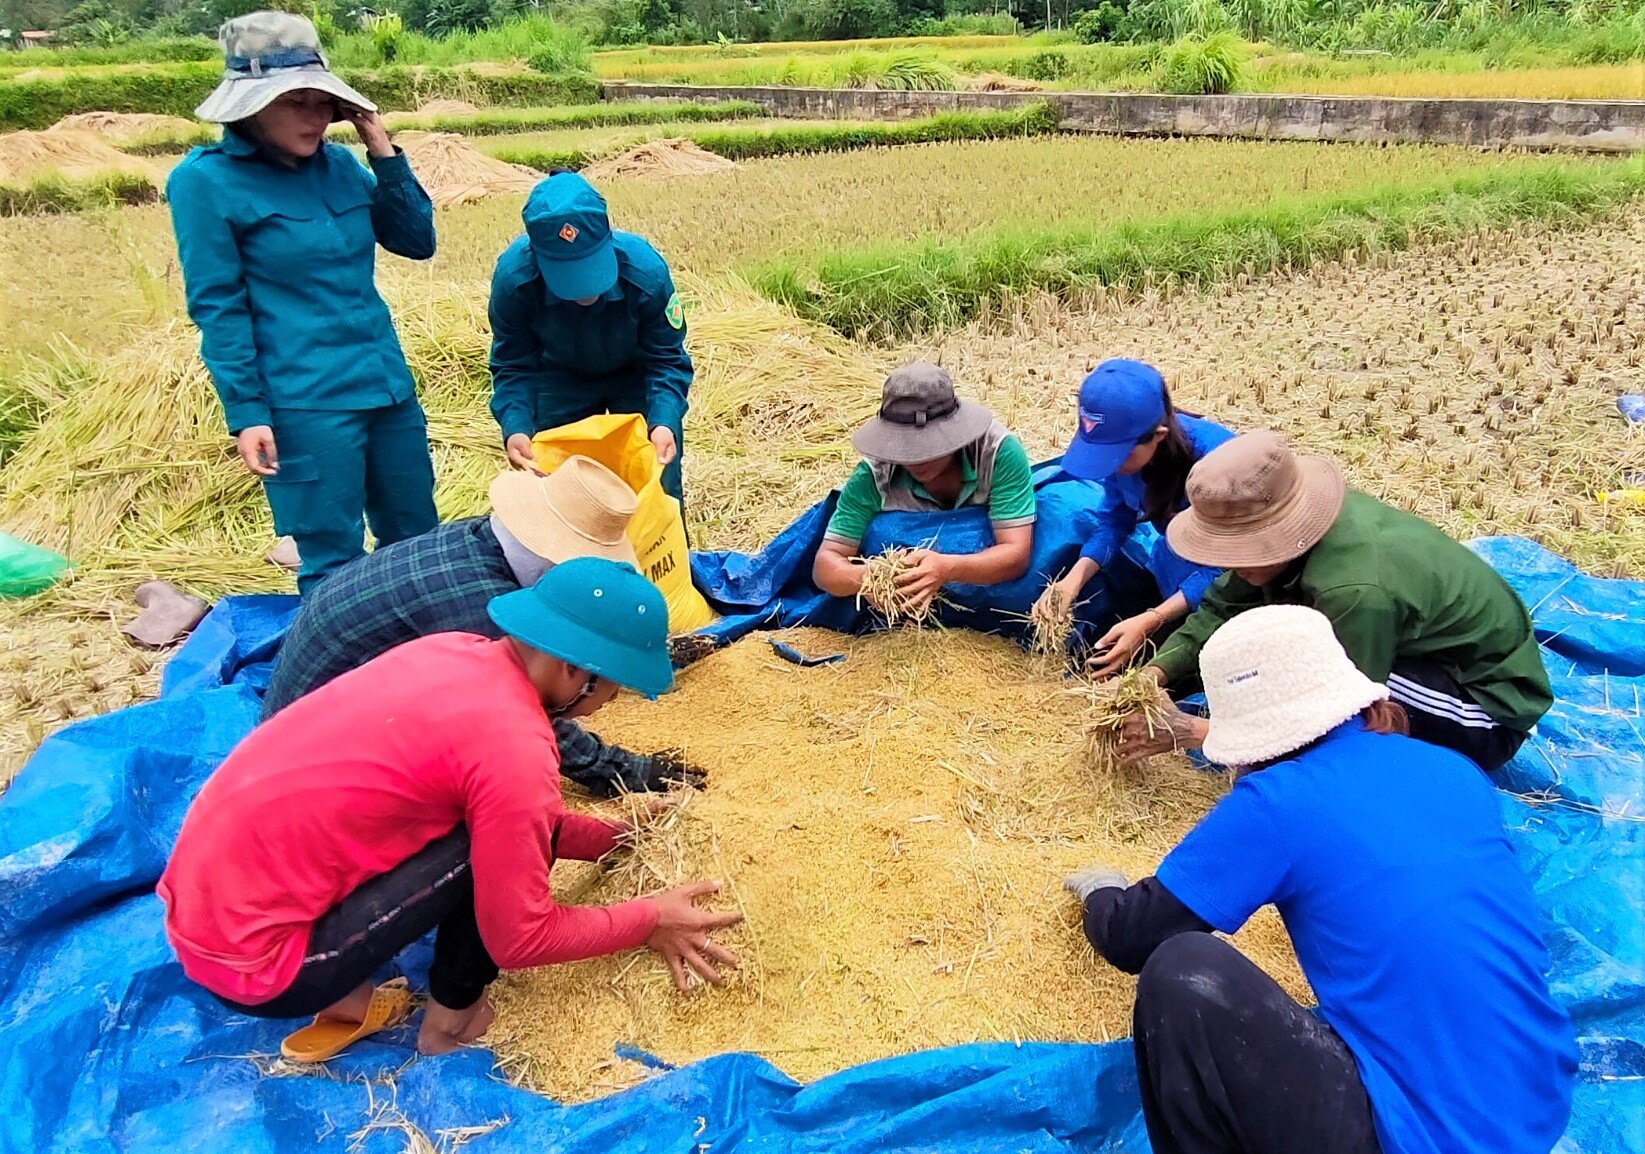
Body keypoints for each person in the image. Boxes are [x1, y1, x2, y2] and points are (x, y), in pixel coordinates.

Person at [159, 558, 740, 1062]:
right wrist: (648, 919)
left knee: (479, 824)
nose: (609, 703)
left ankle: (349, 996)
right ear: (574, 671)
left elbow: (509, 810)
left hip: (202, 908)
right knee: (480, 856)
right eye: (613, 687)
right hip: (257, 967)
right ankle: (451, 1022)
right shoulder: (515, 747)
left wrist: (614, 837)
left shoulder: (453, 650)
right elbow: (520, 937)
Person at [1067, 604, 1576, 1154]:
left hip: (1415, 1134)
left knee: (1183, 969)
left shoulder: (1277, 803)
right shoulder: (1453, 769)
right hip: (1537, 1103)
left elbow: (1133, 935)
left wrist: (1099, 890)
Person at [169, 11, 439, 596]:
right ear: (250, 106)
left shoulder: (340, 166)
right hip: (306, 403)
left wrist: (382, 151)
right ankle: (343, 678)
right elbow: (219, 306)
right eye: (297, 103)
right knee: (333, 559)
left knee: (417, 542)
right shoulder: (205, 182)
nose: (316, 117)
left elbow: (417, 242)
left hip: (386, 387)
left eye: (324, 102)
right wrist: (247, 412)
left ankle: (425, 671)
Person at [261, 458, 700, 796]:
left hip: (331, 708)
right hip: (314, 763)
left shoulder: (480, 537)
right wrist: (623, 772)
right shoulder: (481, 610)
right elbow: (522, 714)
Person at [1119, 431, 1551, 772]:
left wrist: (1199, 732)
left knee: (1293, 678)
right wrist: (1154, 674)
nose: (1229, 563)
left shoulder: (1355, 591)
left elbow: (1340, 717)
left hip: (1481, 706)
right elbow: (1221, 606)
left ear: (1280, 535)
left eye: (1238, 548)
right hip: (1389, 637)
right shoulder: (1284, 531)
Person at [489, 172, 693, 503]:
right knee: (564, 491)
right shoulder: (515, 283)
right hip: (559, 378)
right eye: (566, 276)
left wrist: (664, 421)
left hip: (636, 375)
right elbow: (512, 364)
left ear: (608, 239)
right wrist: (516, 425)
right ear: (538, 257)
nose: (583, 292)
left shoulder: (646, 274)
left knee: (656, 483)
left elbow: (666, 358)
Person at [1034, 359, 1233, 677]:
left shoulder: (1218, 466)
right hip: (1174, 562)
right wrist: (1072, 581)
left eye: (1117, 455)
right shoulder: (1123, 460)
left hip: (1234, 586)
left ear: (1158, 435)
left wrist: (1153, 618)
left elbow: (1227, 568)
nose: (1109, 465)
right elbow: (1114, 522)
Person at [812, 363, 1036, 614]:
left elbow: (1016, 554)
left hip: (990, 592)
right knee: (880, 534)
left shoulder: (998, 453)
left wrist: (946, 569)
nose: (915, 459)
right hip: (907, 613)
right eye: (904, 446)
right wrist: (870, 577)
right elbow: (825, 565)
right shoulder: (873, 475)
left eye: (927, 446)